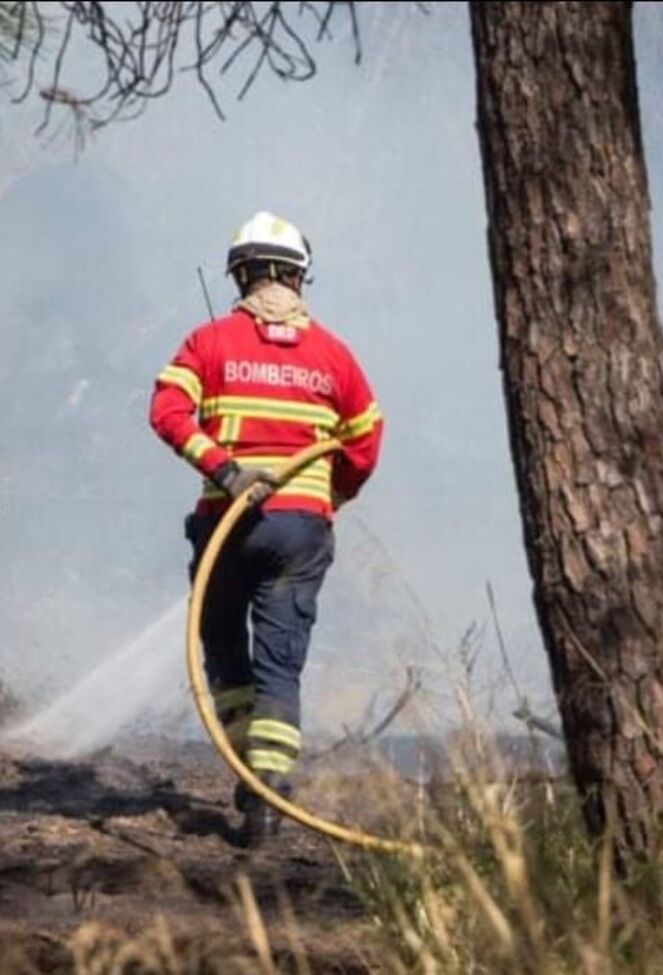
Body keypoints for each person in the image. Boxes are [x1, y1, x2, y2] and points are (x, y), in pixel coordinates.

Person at [149, 212, 383, 847]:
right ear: (300, 277)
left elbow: (166, 411)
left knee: (224, 648)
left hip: (226, 525)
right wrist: (329, 495)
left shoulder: (209, 342)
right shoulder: (333, 354)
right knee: (280, 666)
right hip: (299, 533)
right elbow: (364, 440)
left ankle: (249, 770)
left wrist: (223, 469)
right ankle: (268, 795)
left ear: (240, 274)